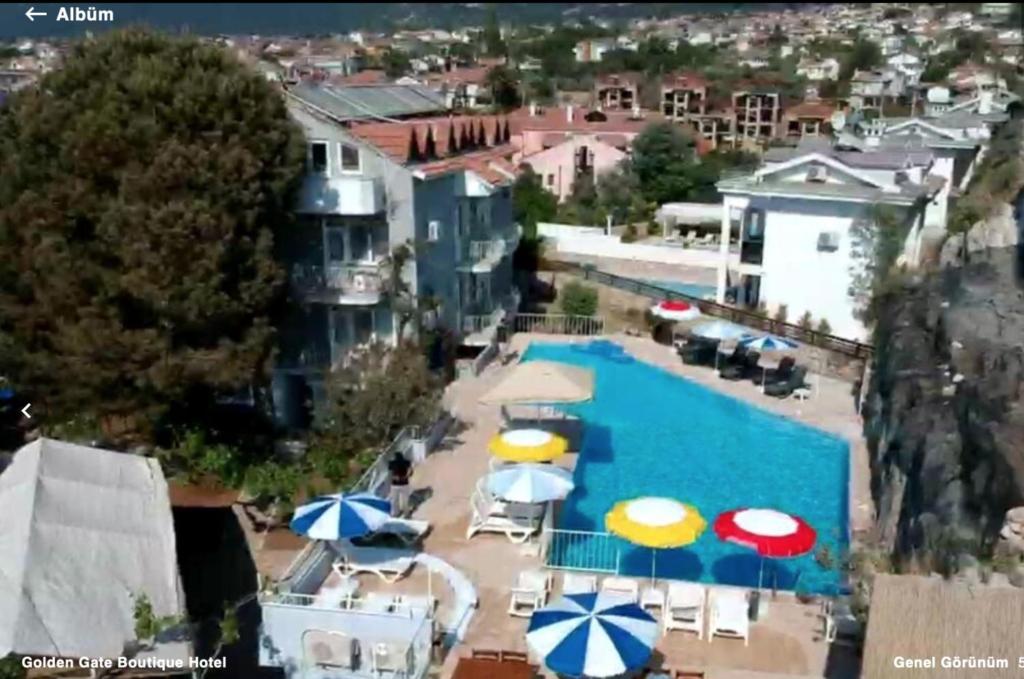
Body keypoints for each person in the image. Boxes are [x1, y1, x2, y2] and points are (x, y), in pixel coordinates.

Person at [388, 452, 412, 516]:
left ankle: (396, 513)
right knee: (405, 500)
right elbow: (410, 471)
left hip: (395, 484)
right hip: (404, 483)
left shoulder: (392, 463)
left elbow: (390, 473)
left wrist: (394, 477)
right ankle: (406, 513)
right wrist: (406, 477)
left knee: (394, 500)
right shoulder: (406, 462)